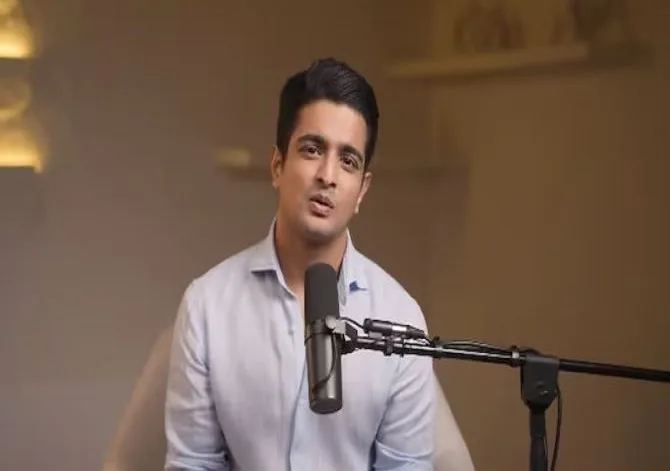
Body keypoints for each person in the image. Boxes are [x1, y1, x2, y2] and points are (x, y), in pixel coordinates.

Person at [164, 57, 436, 471]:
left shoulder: (400, 319)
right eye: (312, 150)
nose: (328, 175)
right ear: (277, 165)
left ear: (362, 190)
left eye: (348, 161)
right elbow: (192, 464)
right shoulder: (207, 306)